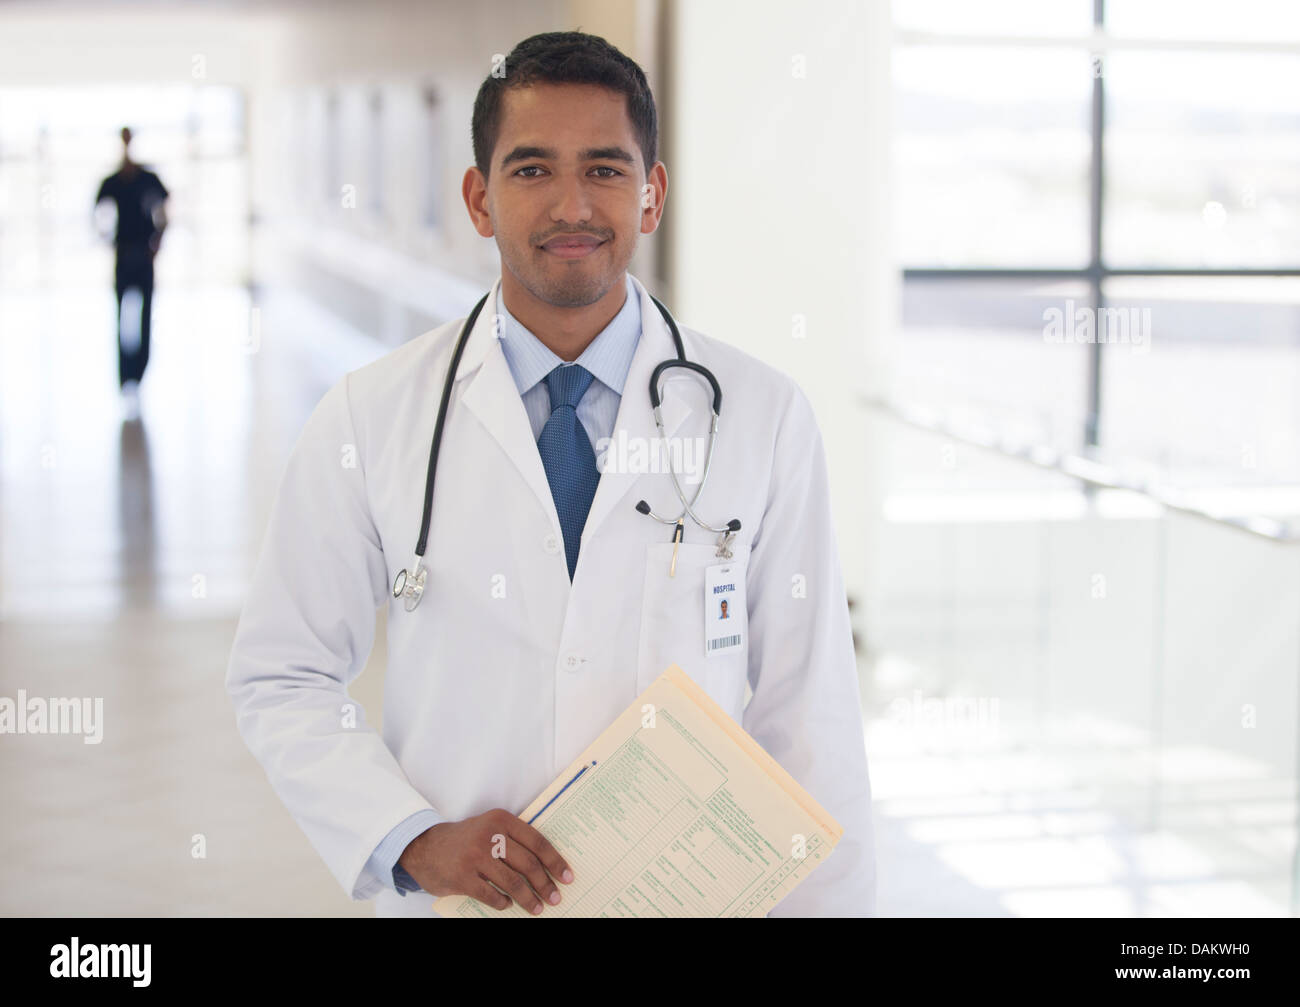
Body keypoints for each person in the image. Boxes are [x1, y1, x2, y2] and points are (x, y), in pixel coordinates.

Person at [226, 30, 876, 918]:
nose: (572, 204)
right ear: (478, 198)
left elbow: (812, 713)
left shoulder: (762, 416)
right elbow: (283, 671)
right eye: (532, 170)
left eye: (606, 170)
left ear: (652, 197)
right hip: (462, 906)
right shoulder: (371, 415)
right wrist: (411, 838)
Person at [95, 126, 168, 398]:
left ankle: (140, 371)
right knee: (120, 316)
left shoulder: (147, 179)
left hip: (143, 254)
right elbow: (98, 212)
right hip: (124, 255)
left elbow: (163, 209)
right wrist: (106, 239)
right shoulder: (113, 181)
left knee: (145, 315)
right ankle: (125, 375)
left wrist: (159, 239)